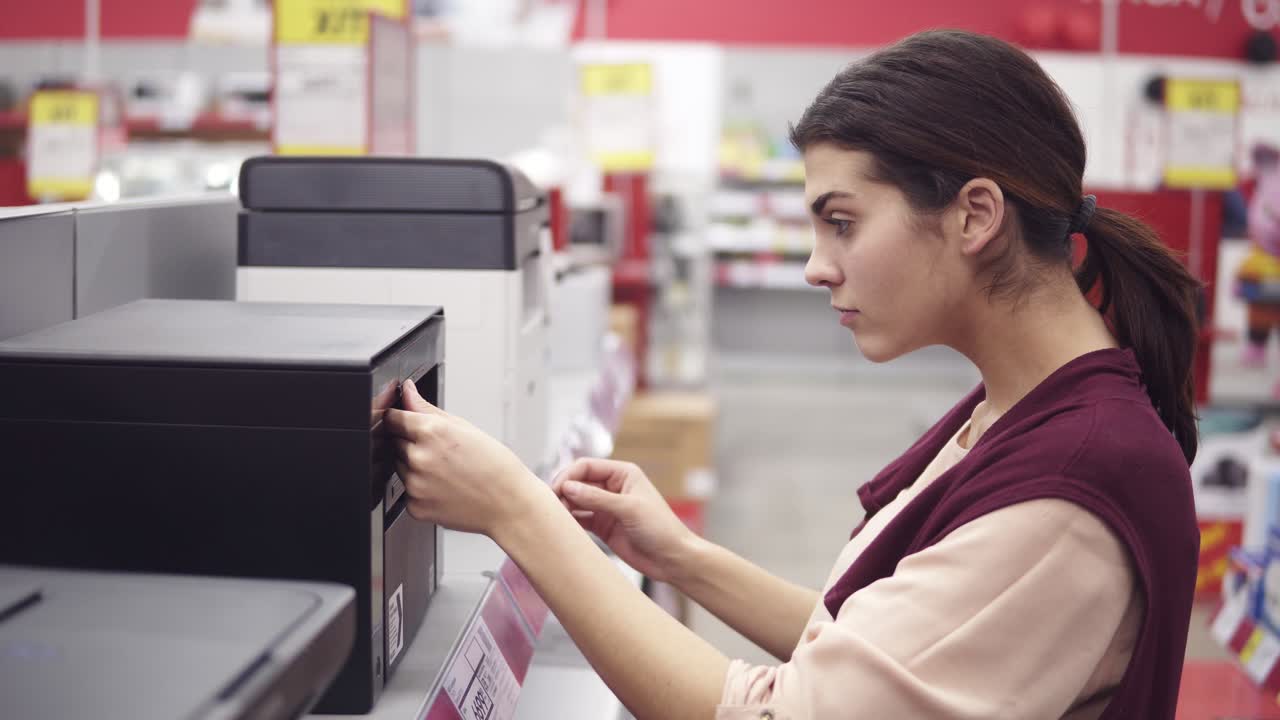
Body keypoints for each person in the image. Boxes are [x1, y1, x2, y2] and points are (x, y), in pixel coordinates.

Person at [384, 29, 1200, 720]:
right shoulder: (1025, 410)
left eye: (842, 223)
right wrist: (682, 559)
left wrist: (519, 514)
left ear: (975, 216)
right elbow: (880, 655)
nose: (818, 266)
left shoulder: (1067, 491)